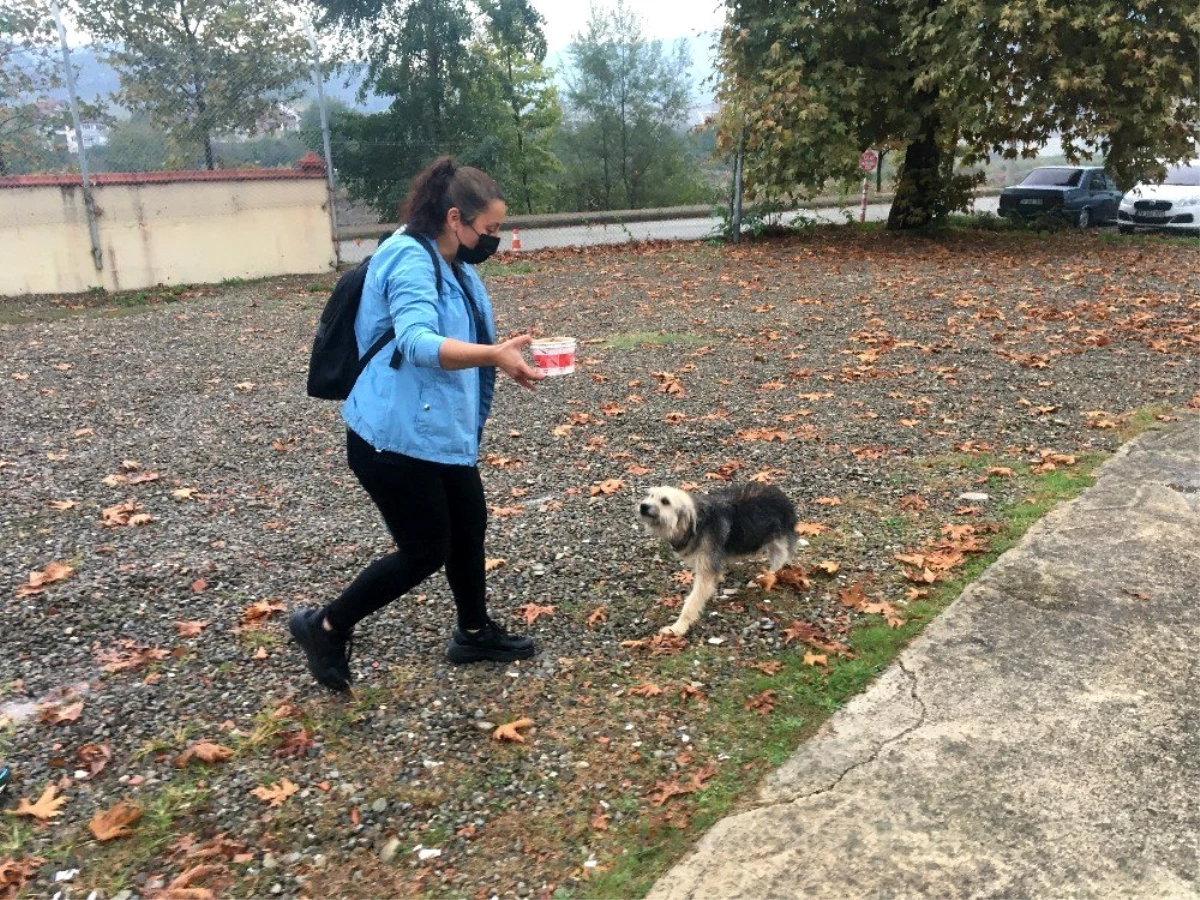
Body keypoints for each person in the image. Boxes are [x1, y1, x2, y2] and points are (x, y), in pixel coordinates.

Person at [290, 157, 545, 692]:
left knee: (468, 526)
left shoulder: (453, 260)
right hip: (392, 441)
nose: (494, 240)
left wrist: (496, 354)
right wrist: (494, 355)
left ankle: (473, 633)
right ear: (456, 218)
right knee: (425, 549)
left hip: (437, 431)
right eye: (490, 229)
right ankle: (325, 625)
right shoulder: (409, 258)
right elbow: (416, 342)